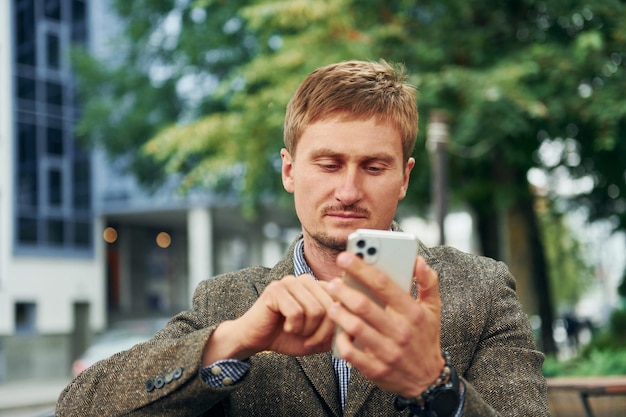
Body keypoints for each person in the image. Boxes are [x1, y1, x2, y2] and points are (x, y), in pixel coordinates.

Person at [56, 60, 550, 416]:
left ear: (404, 177)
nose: (349, 190)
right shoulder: (230, 301)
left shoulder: (481, 289)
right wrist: (234, 341)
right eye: (329, 163)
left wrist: (435, 385)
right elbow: (78, 407)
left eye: (374, 167)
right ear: (290, 171)